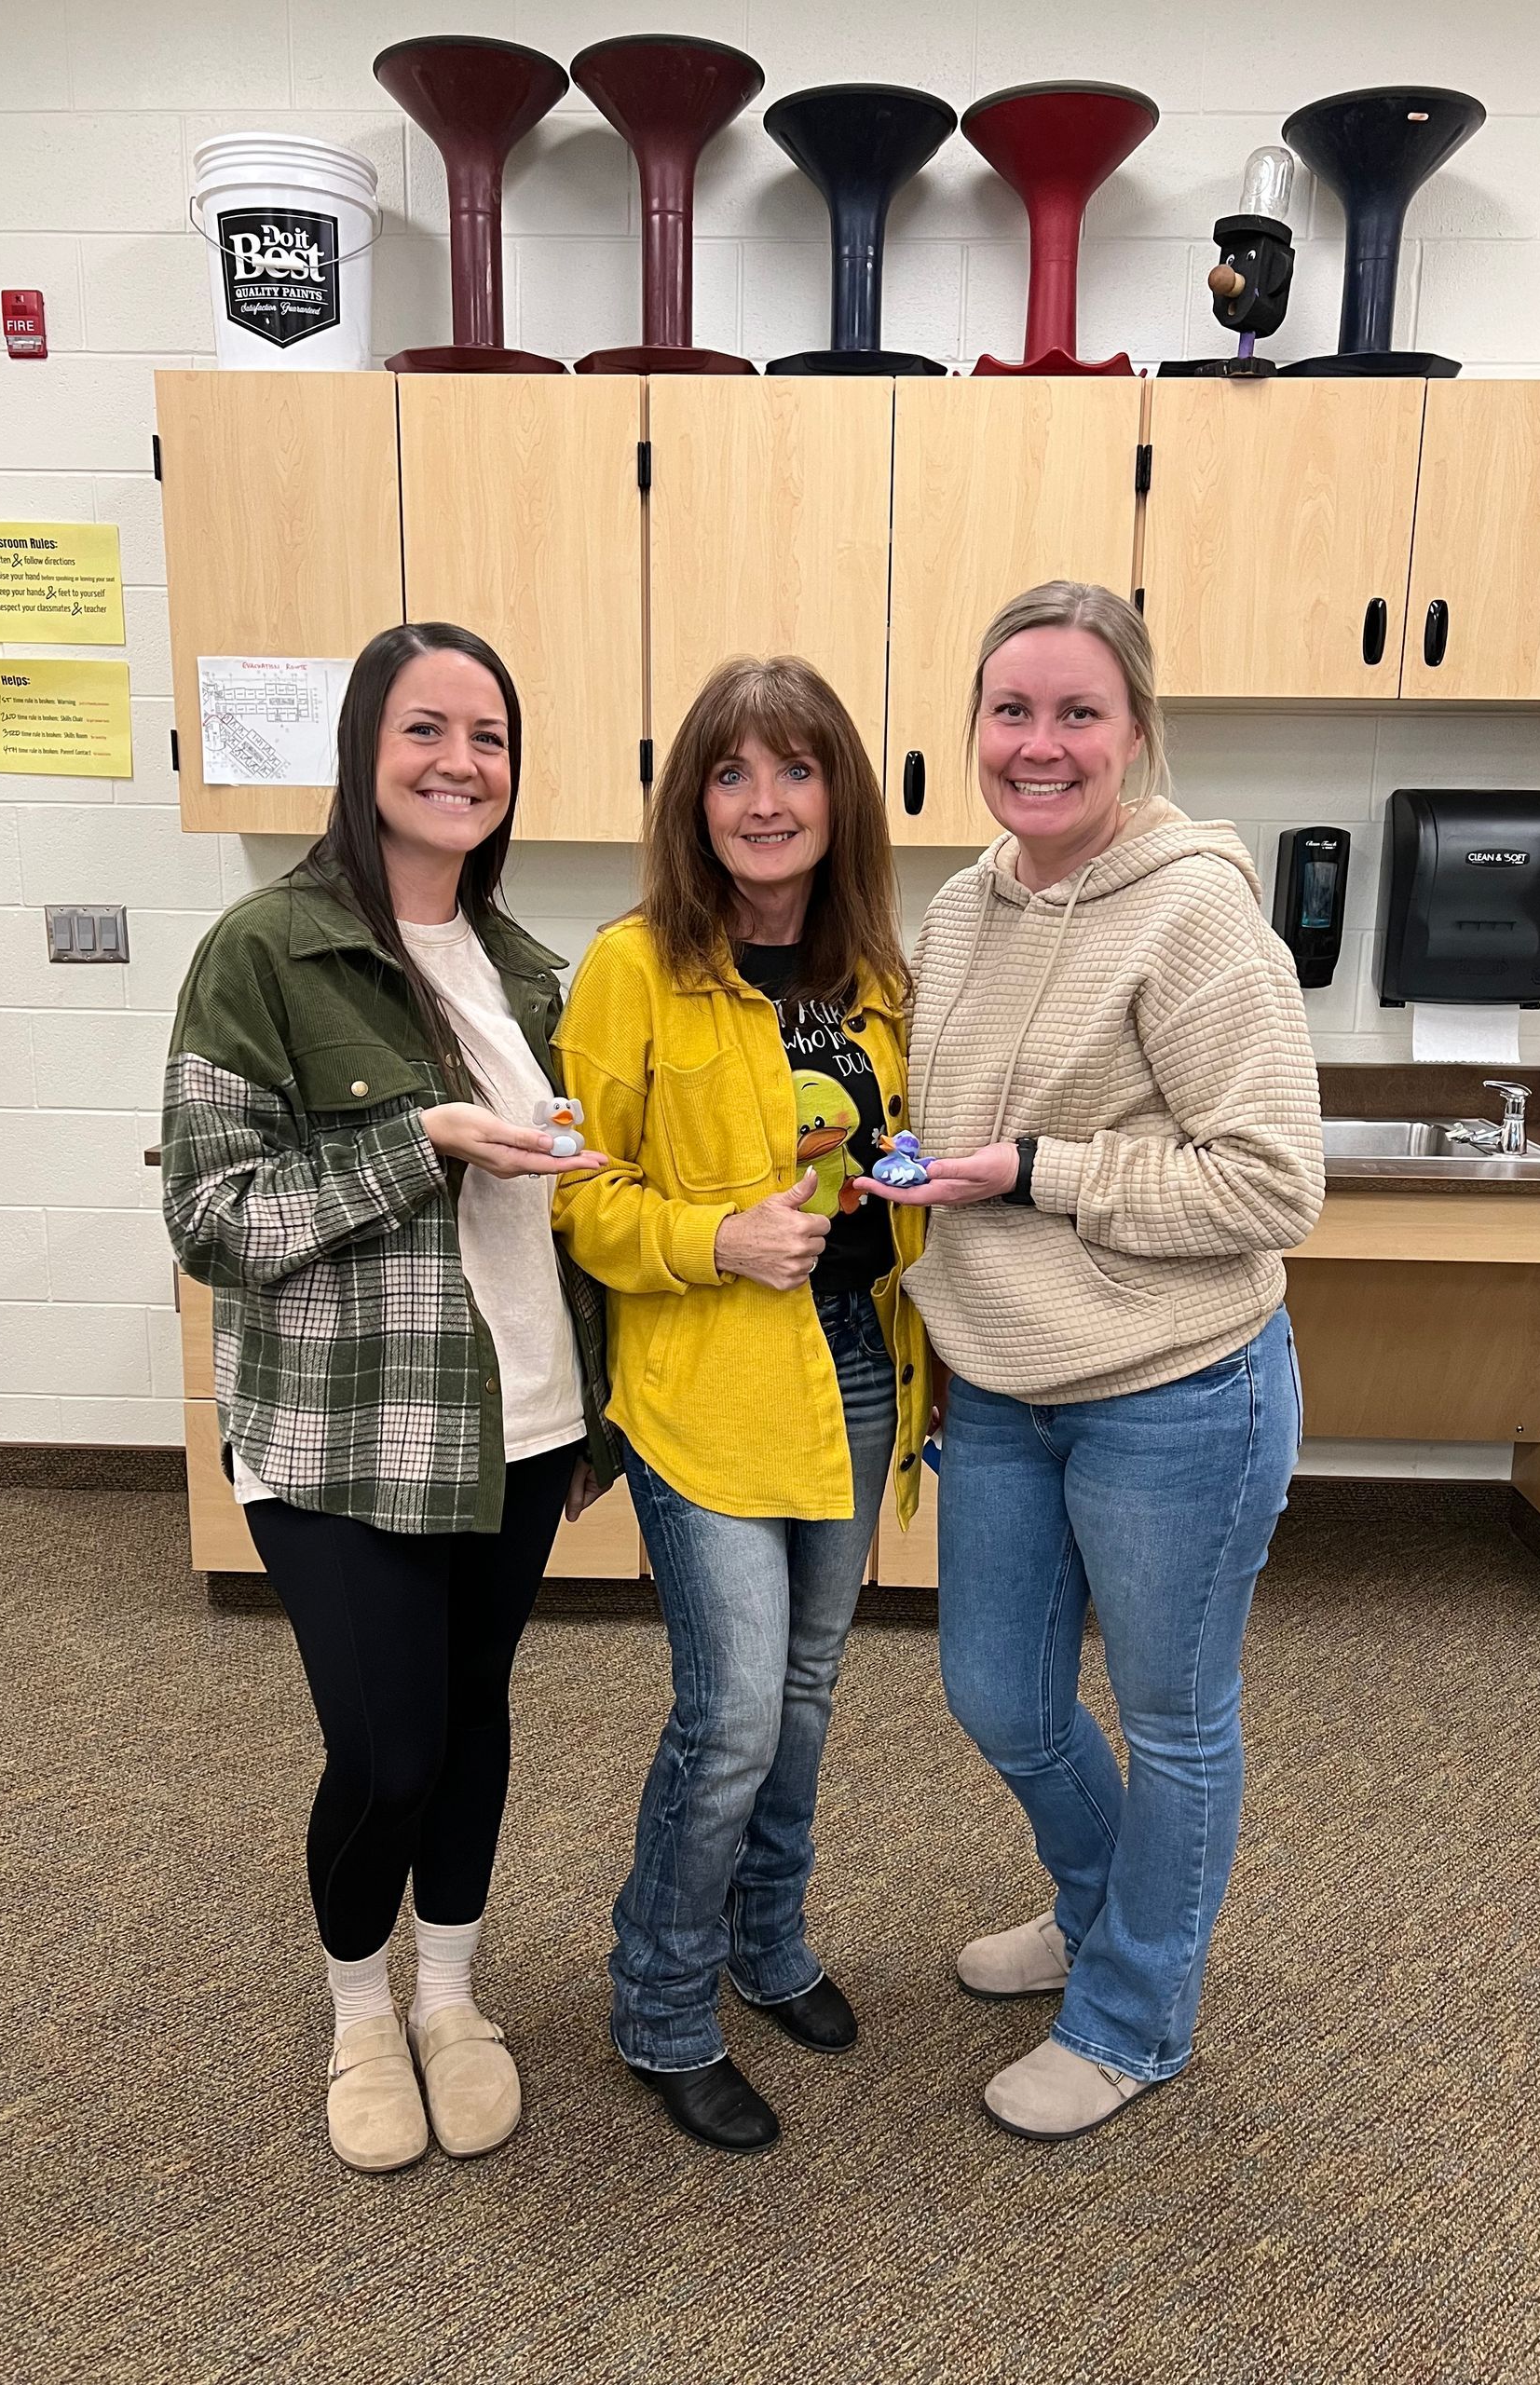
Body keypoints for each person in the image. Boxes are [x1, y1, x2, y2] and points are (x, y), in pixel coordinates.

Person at [859, 581, 1324, 2141]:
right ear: (973, 727)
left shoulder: (1196, 915)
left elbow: (1272, 1186)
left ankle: (1135, 2015)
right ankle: (1108, 1908)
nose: (1038, 745)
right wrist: (914, 1167)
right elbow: (971, 1124)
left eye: (1078, 713)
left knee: (1176, 1718)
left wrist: (1032, 1172)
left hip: (1177, 1390)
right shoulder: (958, 905)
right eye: (1011, 711)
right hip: (1000, 1382)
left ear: (1136, 734)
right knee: (1001, 1697)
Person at [162, 622, 618, 2174]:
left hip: (522, 1414)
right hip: (344, 1432)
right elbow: (211, 1218)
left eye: (488, 737)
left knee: (474, 1723)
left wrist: (598, 1382)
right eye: (427, 730)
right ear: (364, 752)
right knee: (388, 1750)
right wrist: (417, 1141)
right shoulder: (264, 951)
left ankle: (450, 1998)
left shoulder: (532, 972)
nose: (460, 764)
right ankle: (360, 2010)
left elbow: (560, 1214)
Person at [552, 656, 932, 2157]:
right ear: (691, 799)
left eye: (795, 770)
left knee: (808, 1695)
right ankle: (658, 2001)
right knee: (726, 1718)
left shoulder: (877, 976)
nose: (765, 803)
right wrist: (715, 1235)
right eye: (731, 773)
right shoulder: (630, 967)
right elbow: (581, 1206)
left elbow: (897, 1167)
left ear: (840, 796)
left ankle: (765, 1942)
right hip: (704, 1386)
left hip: (852, 1371)